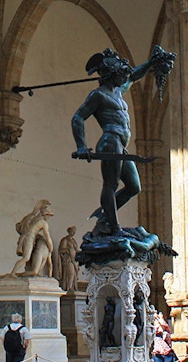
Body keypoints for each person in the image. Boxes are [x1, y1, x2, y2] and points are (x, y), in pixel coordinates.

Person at [72, 47, 173, 234]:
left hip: (121, 145)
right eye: (120, 74)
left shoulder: (118, 92)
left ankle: (104, 217)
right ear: (110, 75)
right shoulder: (98, 95)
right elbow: (78, 117)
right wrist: (81, 146)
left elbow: (134, 76)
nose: (124, 78)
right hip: (110, 142)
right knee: (111, 185)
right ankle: (114, 226)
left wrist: (151, 63)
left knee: (134, 187)